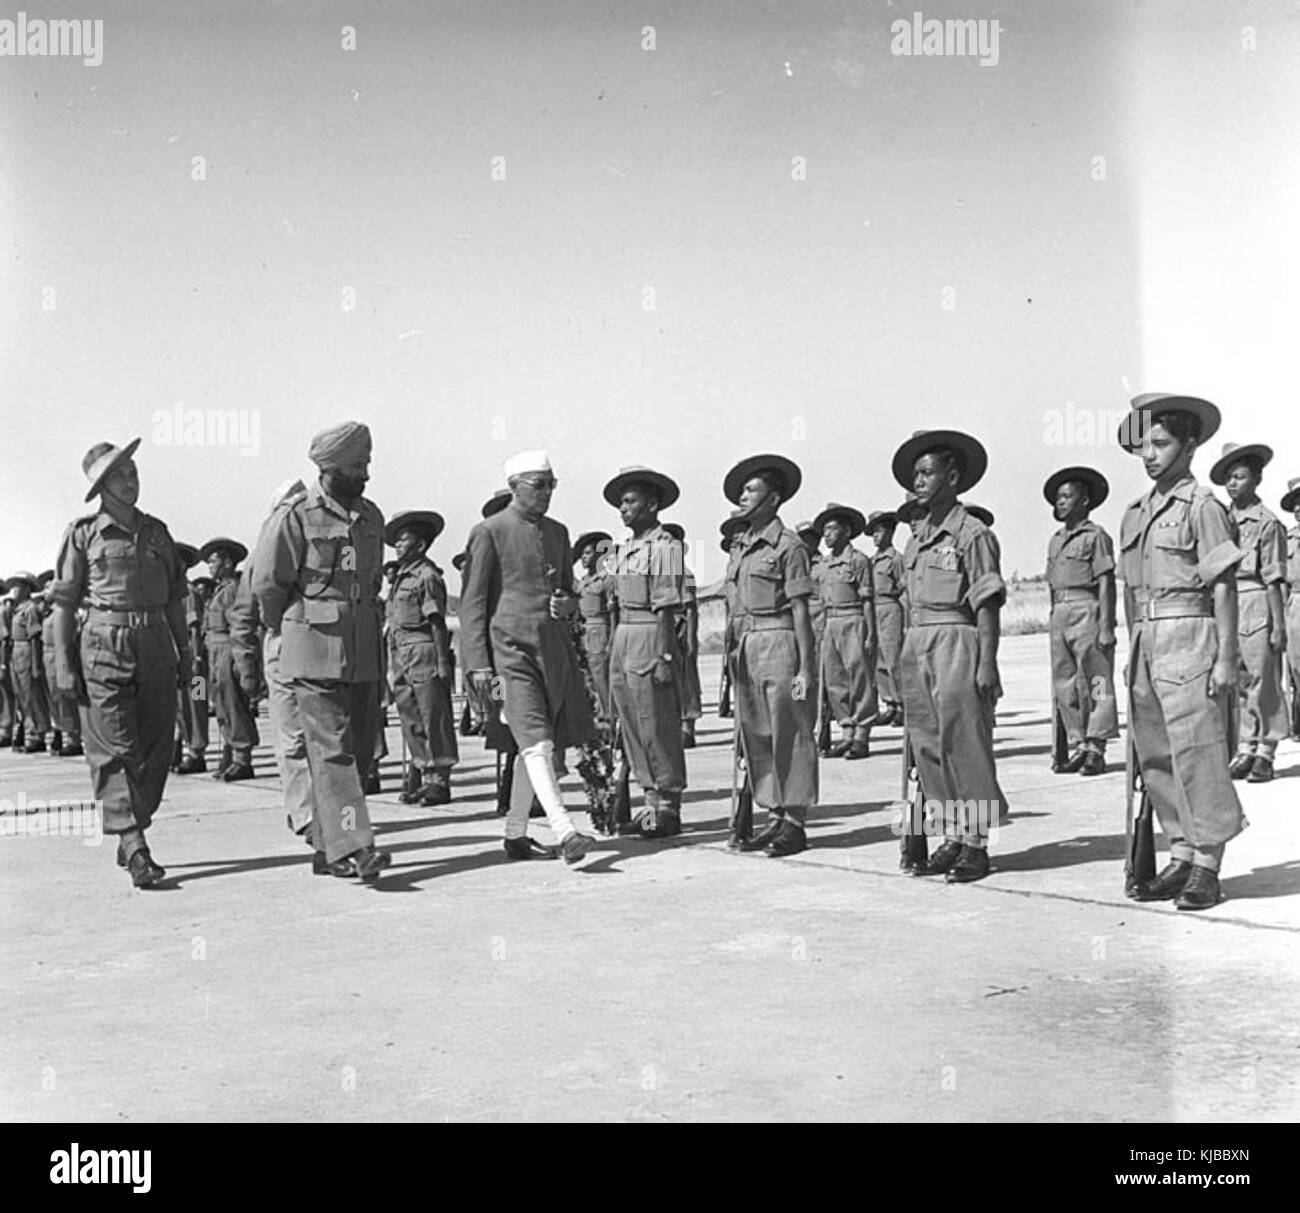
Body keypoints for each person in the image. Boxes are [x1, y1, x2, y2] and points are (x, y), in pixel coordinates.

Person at [1116, 393, 1244, 910]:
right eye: (1144, 445)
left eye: (1161, 443)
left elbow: (1224, 586)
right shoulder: (1135, 512)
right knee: (1157, 755)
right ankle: (1182, 851)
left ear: (1189, 444)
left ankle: (1208, 864)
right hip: (1147, 642)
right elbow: (1128, 590)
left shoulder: (1203, 506)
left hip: (1190, 635)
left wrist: (1228, 656)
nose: (1150, 455)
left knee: (1198, 751)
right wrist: (1132, 647)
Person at [252, 422, 392, 882]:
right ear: (329, 468)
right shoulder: (294, 517)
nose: (366, 474)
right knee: (334, 754)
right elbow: (269, 586)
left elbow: (370, 585)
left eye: (368, 463)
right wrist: (292, 631)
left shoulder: (371, 517)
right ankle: (355, 844)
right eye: (357, 466)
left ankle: (328, 848)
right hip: (313, 650)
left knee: (363, 749)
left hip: (363, 651)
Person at [50, 438, 190, 888]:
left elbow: (174, 601)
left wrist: (185, 654)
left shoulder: (158, 533)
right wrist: (62, 665)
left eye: (133, 472)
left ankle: (129, 823)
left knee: (156, 748)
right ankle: (135, 844)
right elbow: (64, 607)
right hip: (102, 645)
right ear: (102, 487)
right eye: (121, 476)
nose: (132, 481)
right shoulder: (83, 535)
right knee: (115, 750)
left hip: (154, 643)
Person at [458, 451, 597, 865]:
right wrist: (478, 667)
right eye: (539, 484)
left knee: (530, 745)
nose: (547, 493)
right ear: (515, 487)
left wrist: (568, 603)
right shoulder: (489, 532)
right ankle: (564, 829)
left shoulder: (558, 533)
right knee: (536, 739)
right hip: (507, 656)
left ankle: (515, 836)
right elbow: (472, 606)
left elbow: (572, 592)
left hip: (553, 654)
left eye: (552, 484)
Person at [892, 429, 1009, 883]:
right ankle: (954, 832)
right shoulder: (917, 539)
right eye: (915, 475)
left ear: (953, 477)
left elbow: (986, 601)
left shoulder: (972, 534)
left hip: (957, 639)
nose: (918, 482)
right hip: (918, 642)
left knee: (964, 741)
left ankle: (977, 841)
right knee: (927, 742)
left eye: (926, 473)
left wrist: (987, 661)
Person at [724, 454, 818, 857]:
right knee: (757, 734)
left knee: (790, 732)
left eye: (751, 490)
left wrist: (806, 668)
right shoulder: (743, 545)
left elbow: (801, 608)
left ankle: (795, 820)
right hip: (747, 647)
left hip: (781, 642)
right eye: (743, 490)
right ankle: (774, 813)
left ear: (774, 499)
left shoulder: (789, 546)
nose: (743, 496)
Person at [603, 466, 688, 838]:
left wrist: (666, 657)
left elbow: (668, 607)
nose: (623, 508)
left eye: (630, 501)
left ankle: (667, 804)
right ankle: (649, 799)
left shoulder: (666, 547)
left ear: (652, 505)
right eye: (621, 502)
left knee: (657, 724)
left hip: (650, 634)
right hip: (623, 636)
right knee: (633, 725)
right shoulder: (622, 551)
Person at [230, 478, 314, 838]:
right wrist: (247, 671)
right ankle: (307, 816)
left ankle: (323, 812)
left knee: (328, 739)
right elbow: (244, 617)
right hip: (283, 646)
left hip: (323, 648)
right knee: (293, 738)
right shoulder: (261, 557)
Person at [1210, 442, 1288, 783]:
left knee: (1263, 679)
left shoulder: (1268, 523)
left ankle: (1266, 750)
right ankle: (1246, 745)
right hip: (1228, 601)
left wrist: (1278, 625)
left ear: (1256, 480)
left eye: (1239, 477)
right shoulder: (1220, 520)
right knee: (1238, 679)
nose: (1232, 484)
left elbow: (1273, 579)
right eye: (1228, 478)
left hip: (1257, 600)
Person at [1043, 466, 1119, 777]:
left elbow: (1106, 581)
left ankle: (1097, 746)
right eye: (1058, 498)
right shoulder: (1055, 540)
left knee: (1097, 680)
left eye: (1066, 496)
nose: (1060, 502)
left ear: (1084, 500)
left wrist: (1107, 625)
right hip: (1060, 613)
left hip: (1087, 609)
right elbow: (1051, 584)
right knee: (1066, 683)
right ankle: (1078, 742)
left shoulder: (1096, 536)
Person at [384, 509, 459, 807]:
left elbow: (437, 622)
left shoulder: (427, 576)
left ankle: (439, 780)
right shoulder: (400, 578)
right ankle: (420, 772)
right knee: (410, 716)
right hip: (401, 653)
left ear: (421, 545)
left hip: (424, 650)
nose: (398, 546)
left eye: (404, 541)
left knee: (434, 717)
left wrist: (443, 662)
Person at [813, 502, 877, 759]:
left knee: (859, 678)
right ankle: (847, 732)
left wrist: (871, 633)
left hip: (854, 620)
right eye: (825, 530)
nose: (826, 535)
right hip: (830, 624)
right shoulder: (823, 565)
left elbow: (868, 601)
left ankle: (862, 734)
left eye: (832, 529)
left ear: (846, 531)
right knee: (835, 681)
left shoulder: (858, 561)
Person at [200, 537, 260, 781]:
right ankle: (229, 753)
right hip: (213, 654)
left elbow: (240, 627)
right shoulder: (219, 591)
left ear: (226, 563)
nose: (210, 567)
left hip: (227, 652)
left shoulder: (233, 590)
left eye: (213, 562)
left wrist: (244, 665)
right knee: (222, 705)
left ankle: (242, 759)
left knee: (234, 705)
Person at [662, 522, 703, 749]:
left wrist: (691, 639)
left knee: (687, 680)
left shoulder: (684, 574)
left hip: (680, 629)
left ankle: (688, 728)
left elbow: (691, 609)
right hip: (664, 630)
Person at [867, 511, 906, 727]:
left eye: (879, 531)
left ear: (890, 532)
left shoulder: (895, 559)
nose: (875, 537)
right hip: (873, 608)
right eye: (873, 533)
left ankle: (901, 704)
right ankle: (889, 702)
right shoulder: (871, 561)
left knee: (893, 658)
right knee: (878, 661)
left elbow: (903, 585)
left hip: (890, 607)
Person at [573, 530, 616, 726]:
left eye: (588, 553)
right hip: (584, 632)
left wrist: (612, 640)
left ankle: (611, 718)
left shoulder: (606, 579)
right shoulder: (582, 582)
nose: (583, 557)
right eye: (582, 553)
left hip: (601, 630)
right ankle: (600, 716)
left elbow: (614, 612)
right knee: (589, 678)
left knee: (603, 678)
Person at [7, 572, 53, 753]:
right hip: (16, 651)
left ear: (27, 589)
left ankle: (37, 734)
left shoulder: (30, 609)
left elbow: (34, 638)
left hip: (26, 650)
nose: (14, 590)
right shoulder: (17, 610)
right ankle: (28, 731)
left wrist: (35, 665)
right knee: (22, 696)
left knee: (32, 695)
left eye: (18, 586)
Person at [39, 571, 82, 756]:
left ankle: (73, 739)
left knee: (66, 699)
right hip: (48, 655)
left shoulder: (66, 613)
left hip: (61, 655)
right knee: (54, 697)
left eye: (49, 587)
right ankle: (61, 733)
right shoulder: (49, 613)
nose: (45, 591)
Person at [716, 515, 747, 718]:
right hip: (736, 624)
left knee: (801, 682)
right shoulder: (732, 567)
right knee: (738, 676)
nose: (736, 540)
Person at [1283, 477, 1300, 740]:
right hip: (1295, 603)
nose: (1298, 509)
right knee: (1295, 666)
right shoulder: (1288, 538)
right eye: (1295, 504)